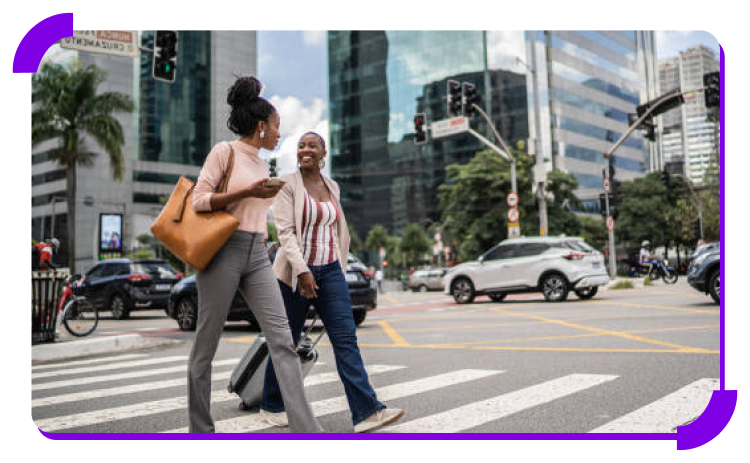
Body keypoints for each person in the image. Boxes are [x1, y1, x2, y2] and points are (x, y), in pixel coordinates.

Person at [187, 76, 323, 433]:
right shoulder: (225, 152)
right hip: (223, 251)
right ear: (261, 126)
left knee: (283, 341)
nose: (280, 133)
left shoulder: (264, 164)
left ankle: (307, 429)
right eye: (277, 126)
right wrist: (247, 191)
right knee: (206, 346)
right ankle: (201, 429)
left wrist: (264, 201)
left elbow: (254, 209)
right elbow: (199, 201)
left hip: (258, 252)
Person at [261, 131, 404, 433]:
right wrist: (302, 271)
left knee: (346, 339)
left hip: (330, 271)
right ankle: (272, 404)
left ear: (323, 153)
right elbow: (285, 233)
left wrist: (338, 264)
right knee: (286, 341)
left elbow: (337, 229)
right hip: (295, 275)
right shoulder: (287, 184)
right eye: (301, 145)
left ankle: (366, 411)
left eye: (312, 145)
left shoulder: (333, 186)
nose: (305, 150)